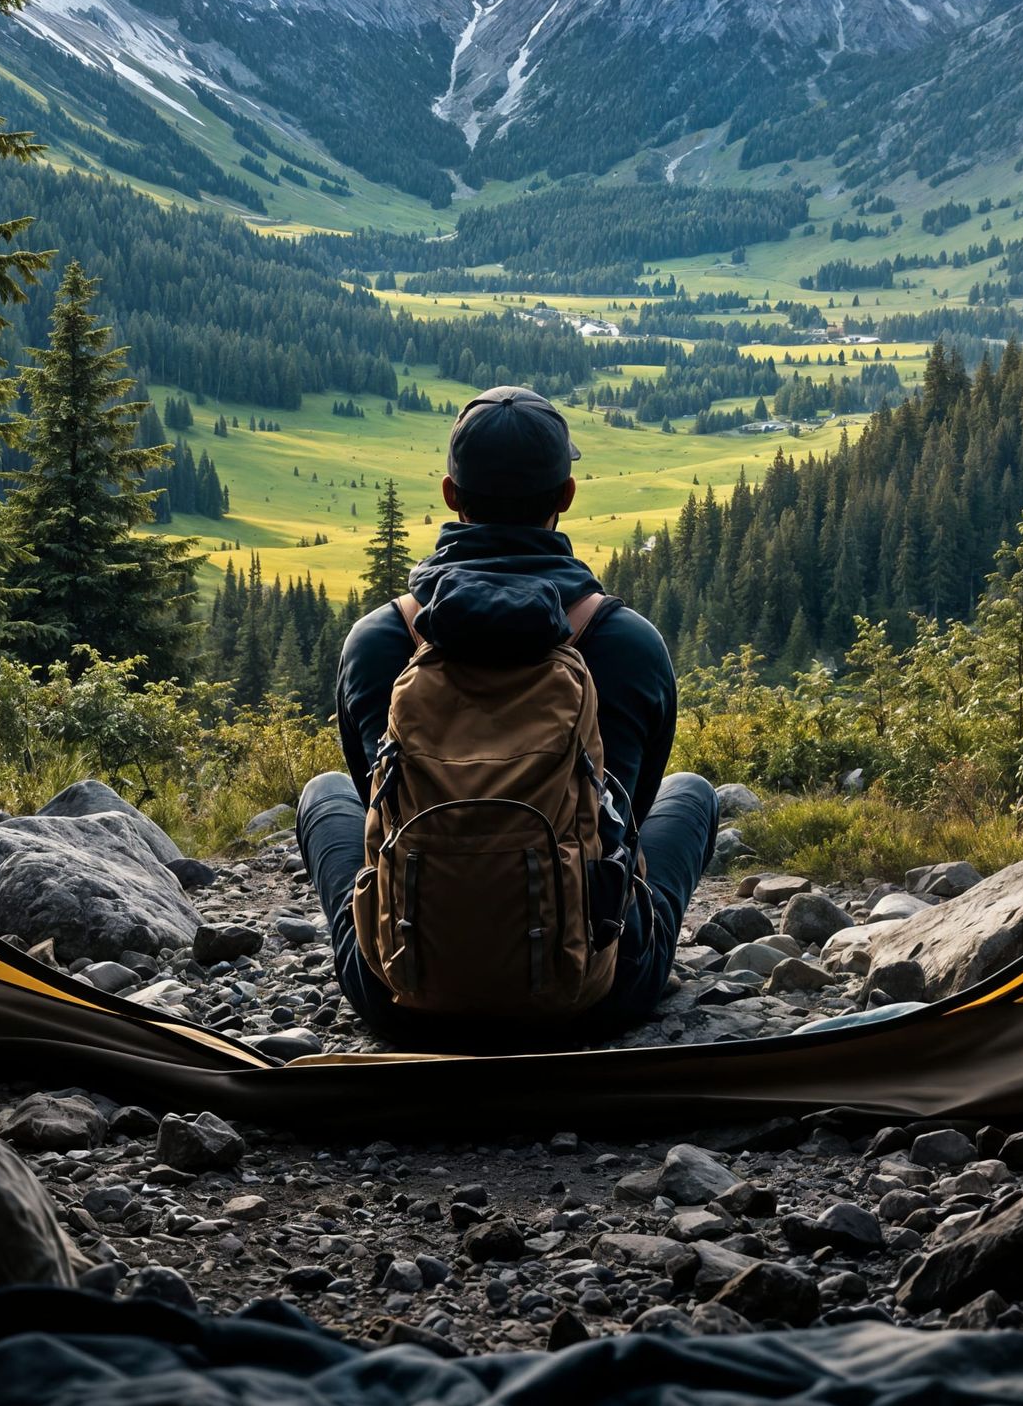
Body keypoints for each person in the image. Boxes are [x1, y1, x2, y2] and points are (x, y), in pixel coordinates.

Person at [296, 384, 718, 1044]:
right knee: (691, 794)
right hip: (591, 998)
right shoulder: (628, 643)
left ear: (450, 493)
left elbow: (377, 809)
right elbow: (624, 822)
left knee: (323, 795)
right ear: (566, 495)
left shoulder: (379, 640)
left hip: (404, 993)